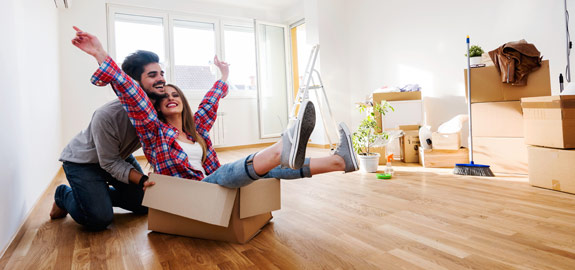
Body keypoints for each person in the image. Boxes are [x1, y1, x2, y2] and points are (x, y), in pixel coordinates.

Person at [72, 26, 359, 190]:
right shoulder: (152, 130)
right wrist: (100, 54)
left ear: (184, 102)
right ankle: (280, 147)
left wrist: (223, 76)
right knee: (240, 166)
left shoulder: (196, 130)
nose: (169, 95)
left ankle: (338, 162)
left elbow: (209, 103)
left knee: (268, 170)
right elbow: (131, 92)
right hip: (191, 192)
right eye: (163, 96)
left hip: (211, 185)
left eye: (175, 93)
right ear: (155, 109)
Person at [50, 46, 169, 230]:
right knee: (98, 218)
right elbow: (109, 163)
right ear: (134, 83)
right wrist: (144, 180)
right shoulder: (107, 115)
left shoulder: (159, 111)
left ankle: (94, 196)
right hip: (83, 162)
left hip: (117, 156)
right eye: (153, 75)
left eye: (162, 73)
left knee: (145, 204)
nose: (161, 78)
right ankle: (64, 195)